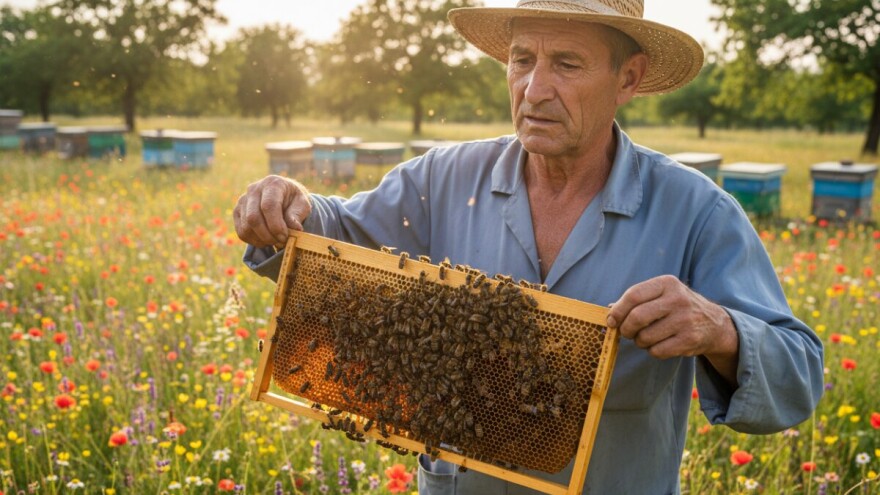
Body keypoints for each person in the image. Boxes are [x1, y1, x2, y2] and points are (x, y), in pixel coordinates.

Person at [233, 0, 824, 493]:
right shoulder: (445, 177)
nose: (535, 89)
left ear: (629, 78)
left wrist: (720, 328)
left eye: (567, 63)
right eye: (522, 60)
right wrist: (291, 205)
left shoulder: (696, 211)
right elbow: (336, 233)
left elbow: (799, 373)